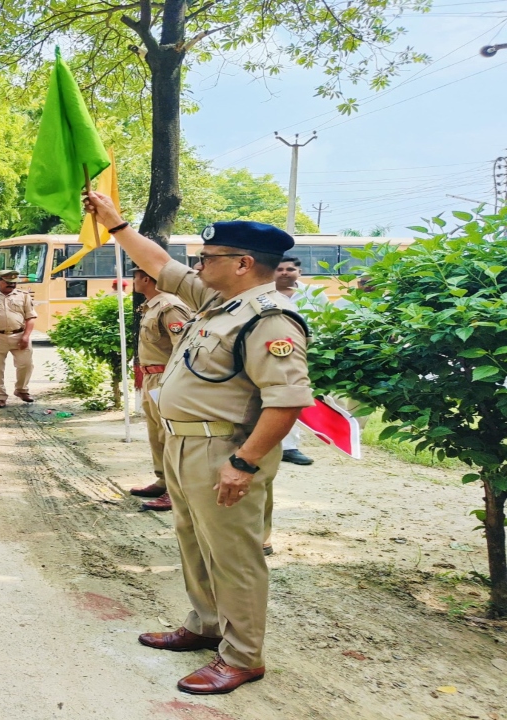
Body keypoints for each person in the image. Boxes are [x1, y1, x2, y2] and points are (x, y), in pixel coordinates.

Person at [84, 190, 313, 695]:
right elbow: (159, 262)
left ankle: (243, 656)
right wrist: (116, 223)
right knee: (194, 544)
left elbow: (287, 401)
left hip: (224, 451)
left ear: (243, 263)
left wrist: (244, 463)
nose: (197, 263)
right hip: (185, 446)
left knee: (233, 554)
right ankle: (208, 625)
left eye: (208, 258)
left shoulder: (268, 318)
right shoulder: (219, 300)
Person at [128, 267, 191, 512]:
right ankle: (163, 481)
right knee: (156, 433)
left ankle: (175, 491)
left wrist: (174, 383)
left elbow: (183, 348)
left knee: (170, 435)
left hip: (165, 378)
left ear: (146, 278)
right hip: (151, 378)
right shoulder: (152, 306)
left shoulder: (169, 306)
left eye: (135, 275)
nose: (133, 280)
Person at [274, 257, 314, 466]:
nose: (285, 272)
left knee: (293, 399)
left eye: (290, 269)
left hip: (301, 355)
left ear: (299, 271)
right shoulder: (263, 294)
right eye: (279, 269)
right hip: (268, 355)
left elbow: (327, 322)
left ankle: (289, 447)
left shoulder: (313, 294)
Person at [0, 269, 38, 408]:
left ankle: (21, 390)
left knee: (26, 364)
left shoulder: (23, 296)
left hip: (19, 335)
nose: (11, 285)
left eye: (14, 283)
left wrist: (26, 336)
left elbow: (31, 317)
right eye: (8, 282)